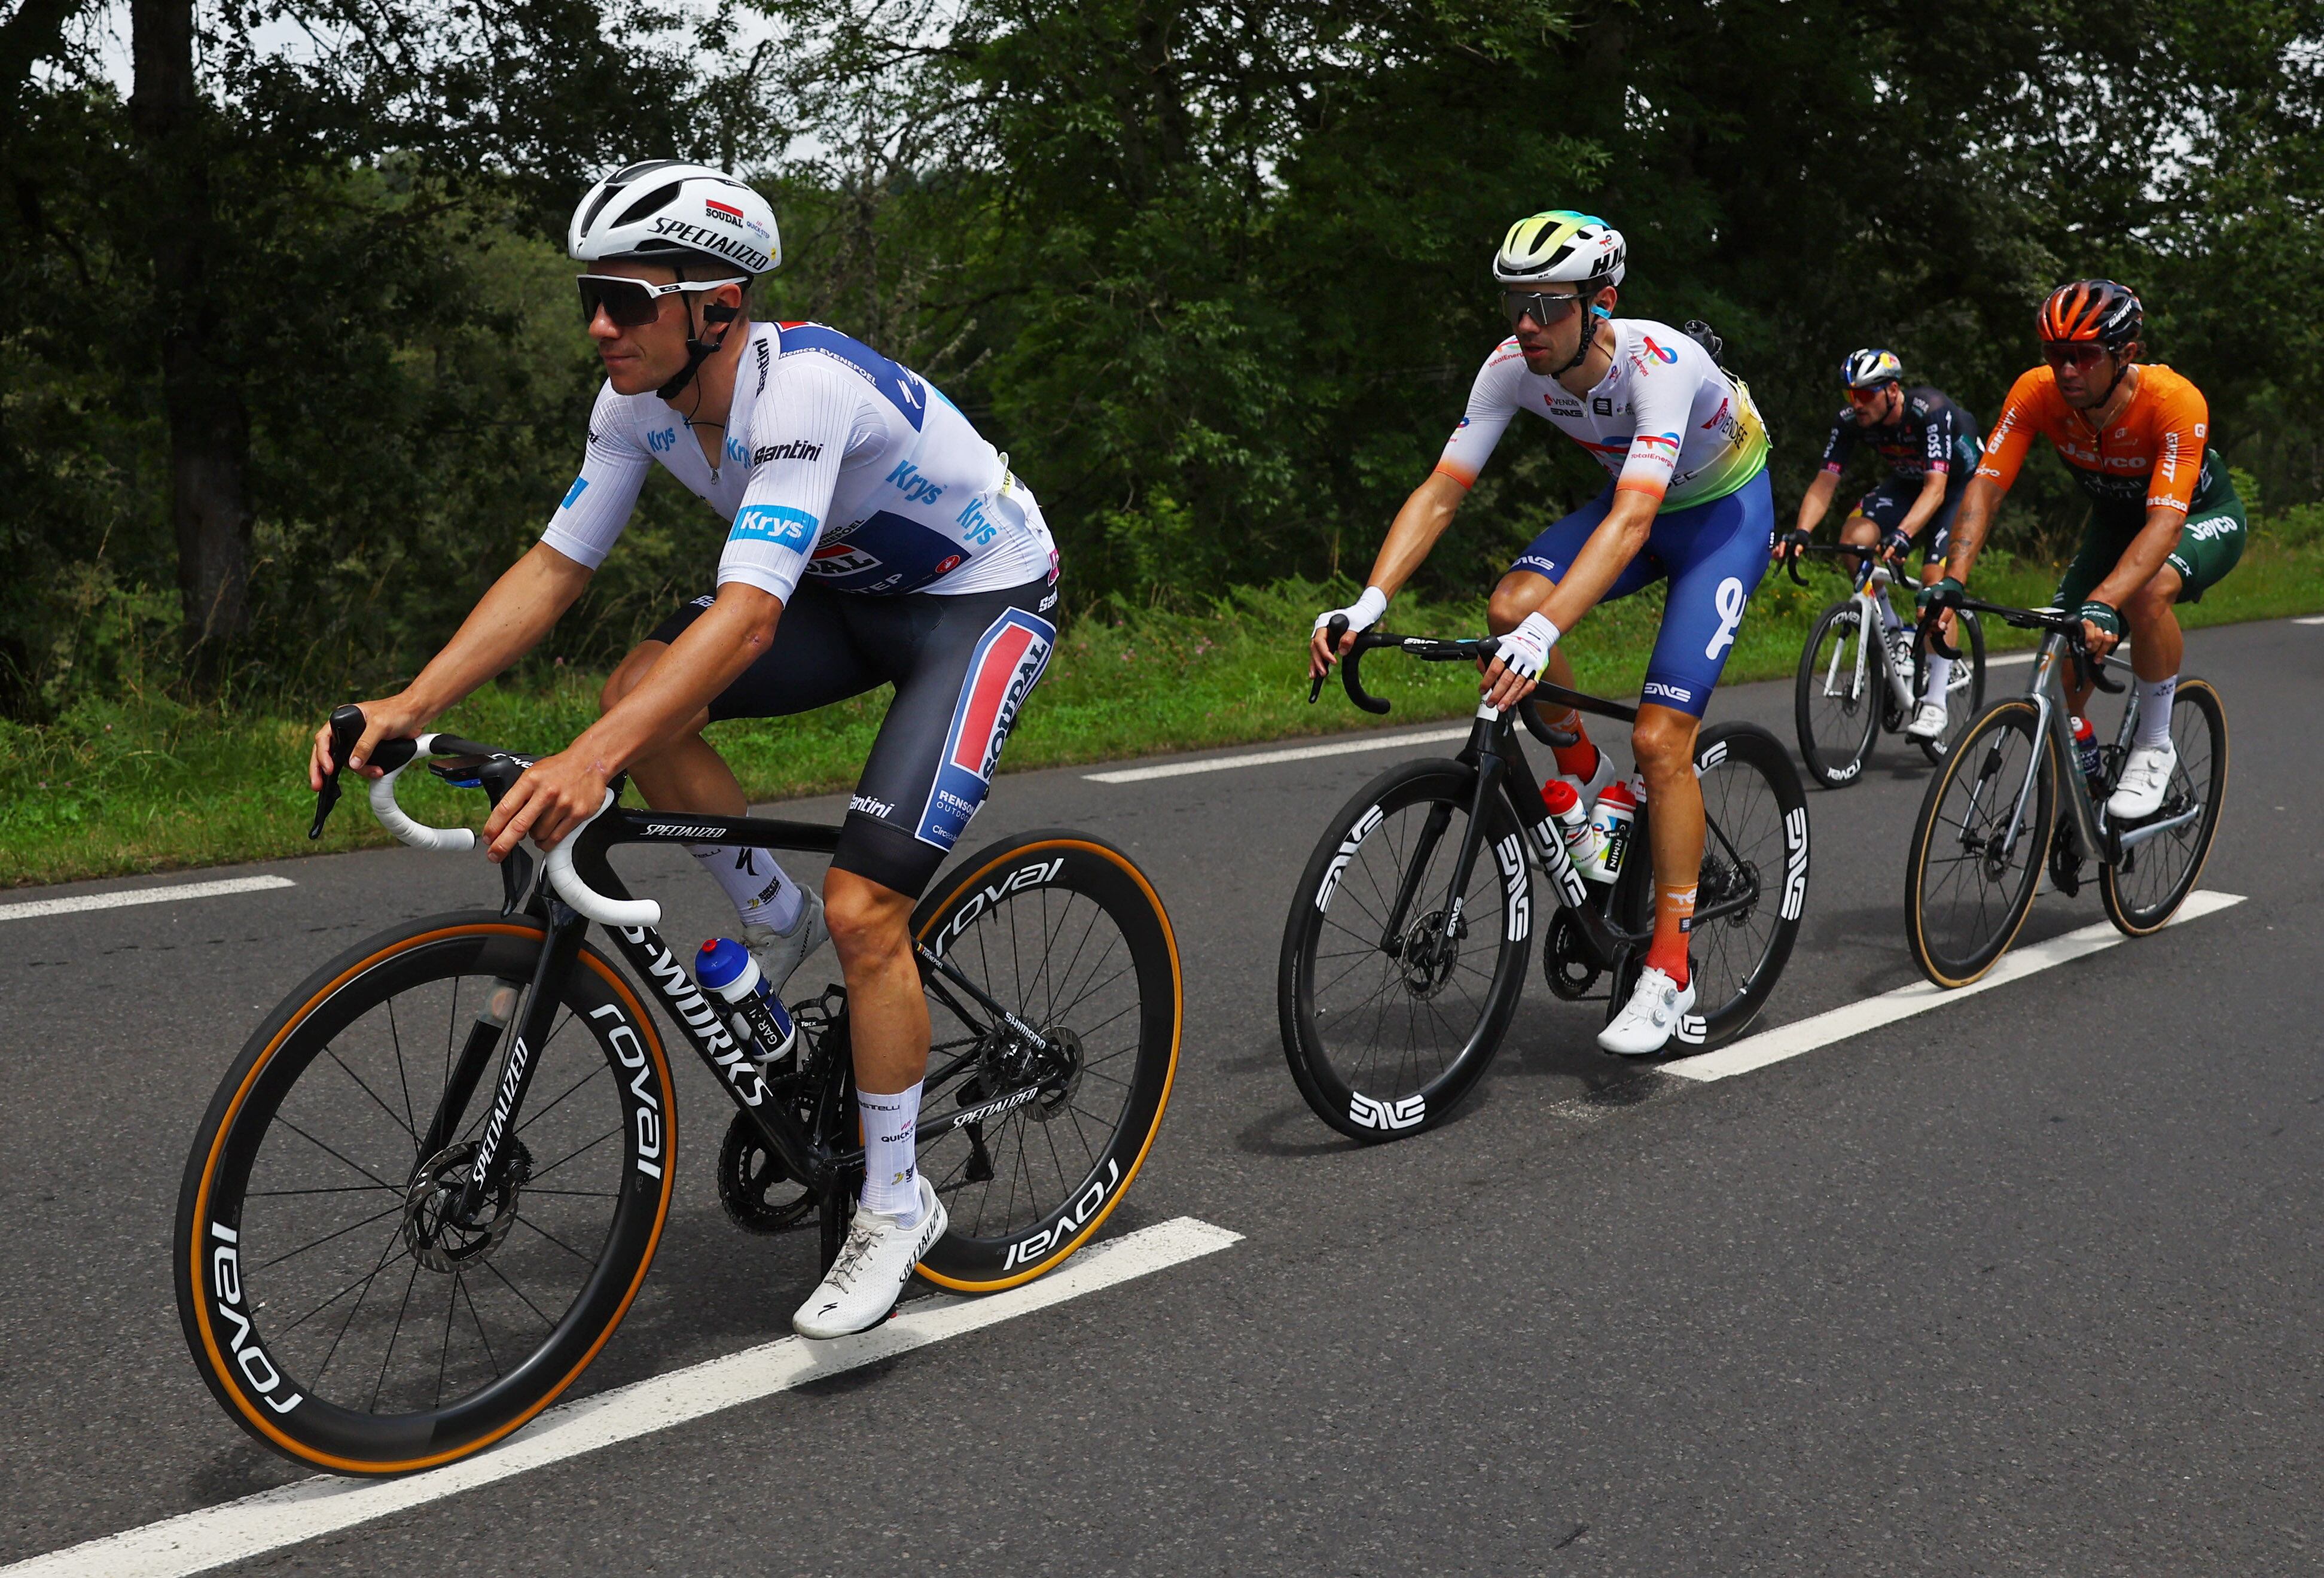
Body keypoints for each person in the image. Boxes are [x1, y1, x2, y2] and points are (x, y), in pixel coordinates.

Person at [309, 160, 1063, 1338]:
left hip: (976, 600)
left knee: (870, 906)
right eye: (587, 301)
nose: (599, 327)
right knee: (636, 690)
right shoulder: (634, 404)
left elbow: (749, 615)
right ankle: (771, 914)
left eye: (623, 300)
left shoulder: (800, 388)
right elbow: (557, 567)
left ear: (712, 302)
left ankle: (897, 1197)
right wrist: (413, 697)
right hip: (848, 589)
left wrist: (588, 759)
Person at [1309, 210, 1776, 1057]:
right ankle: (1584, 778)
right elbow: (1442, 490)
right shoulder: (1510, 365)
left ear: (1601, 303)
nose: (1525, 324)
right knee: (1505, 605)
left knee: (1662, 740)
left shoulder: (1658, 363)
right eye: (1512, 303)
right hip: (1632, 505)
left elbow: (1634, 522)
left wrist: (1542, 635)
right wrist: (1368, 601)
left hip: (1719, 519)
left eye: (1547, 305)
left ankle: (1669, 968)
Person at [1920, 279, 2244, 820]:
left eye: (2084, 356)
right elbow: (1986, 487)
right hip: (2115, 526)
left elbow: (2165, 523)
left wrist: (2106, 600)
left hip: (2198, 519)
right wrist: (1953, 581)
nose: (2066, 370)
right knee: (2061, 666)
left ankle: (2155, 744)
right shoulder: (2036, 392)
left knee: (2142, 598)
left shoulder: (2174, 401)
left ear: (2126, 354)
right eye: (2055, 355)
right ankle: (2088, 778)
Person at [1785, 348, 1982, 738]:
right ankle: (1893, 630)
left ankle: (1936, 703)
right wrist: (1802, 532)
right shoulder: (1850, 422)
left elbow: (1937, 489)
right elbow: (1825, 483)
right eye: (1849, 395)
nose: (1855, 404)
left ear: (1893, 390)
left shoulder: (1931, 411)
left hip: (1959, 486)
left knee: (1935, 582)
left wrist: (1905, 534)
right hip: (1909, 482)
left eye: (1864, 395)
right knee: (1852, 543)